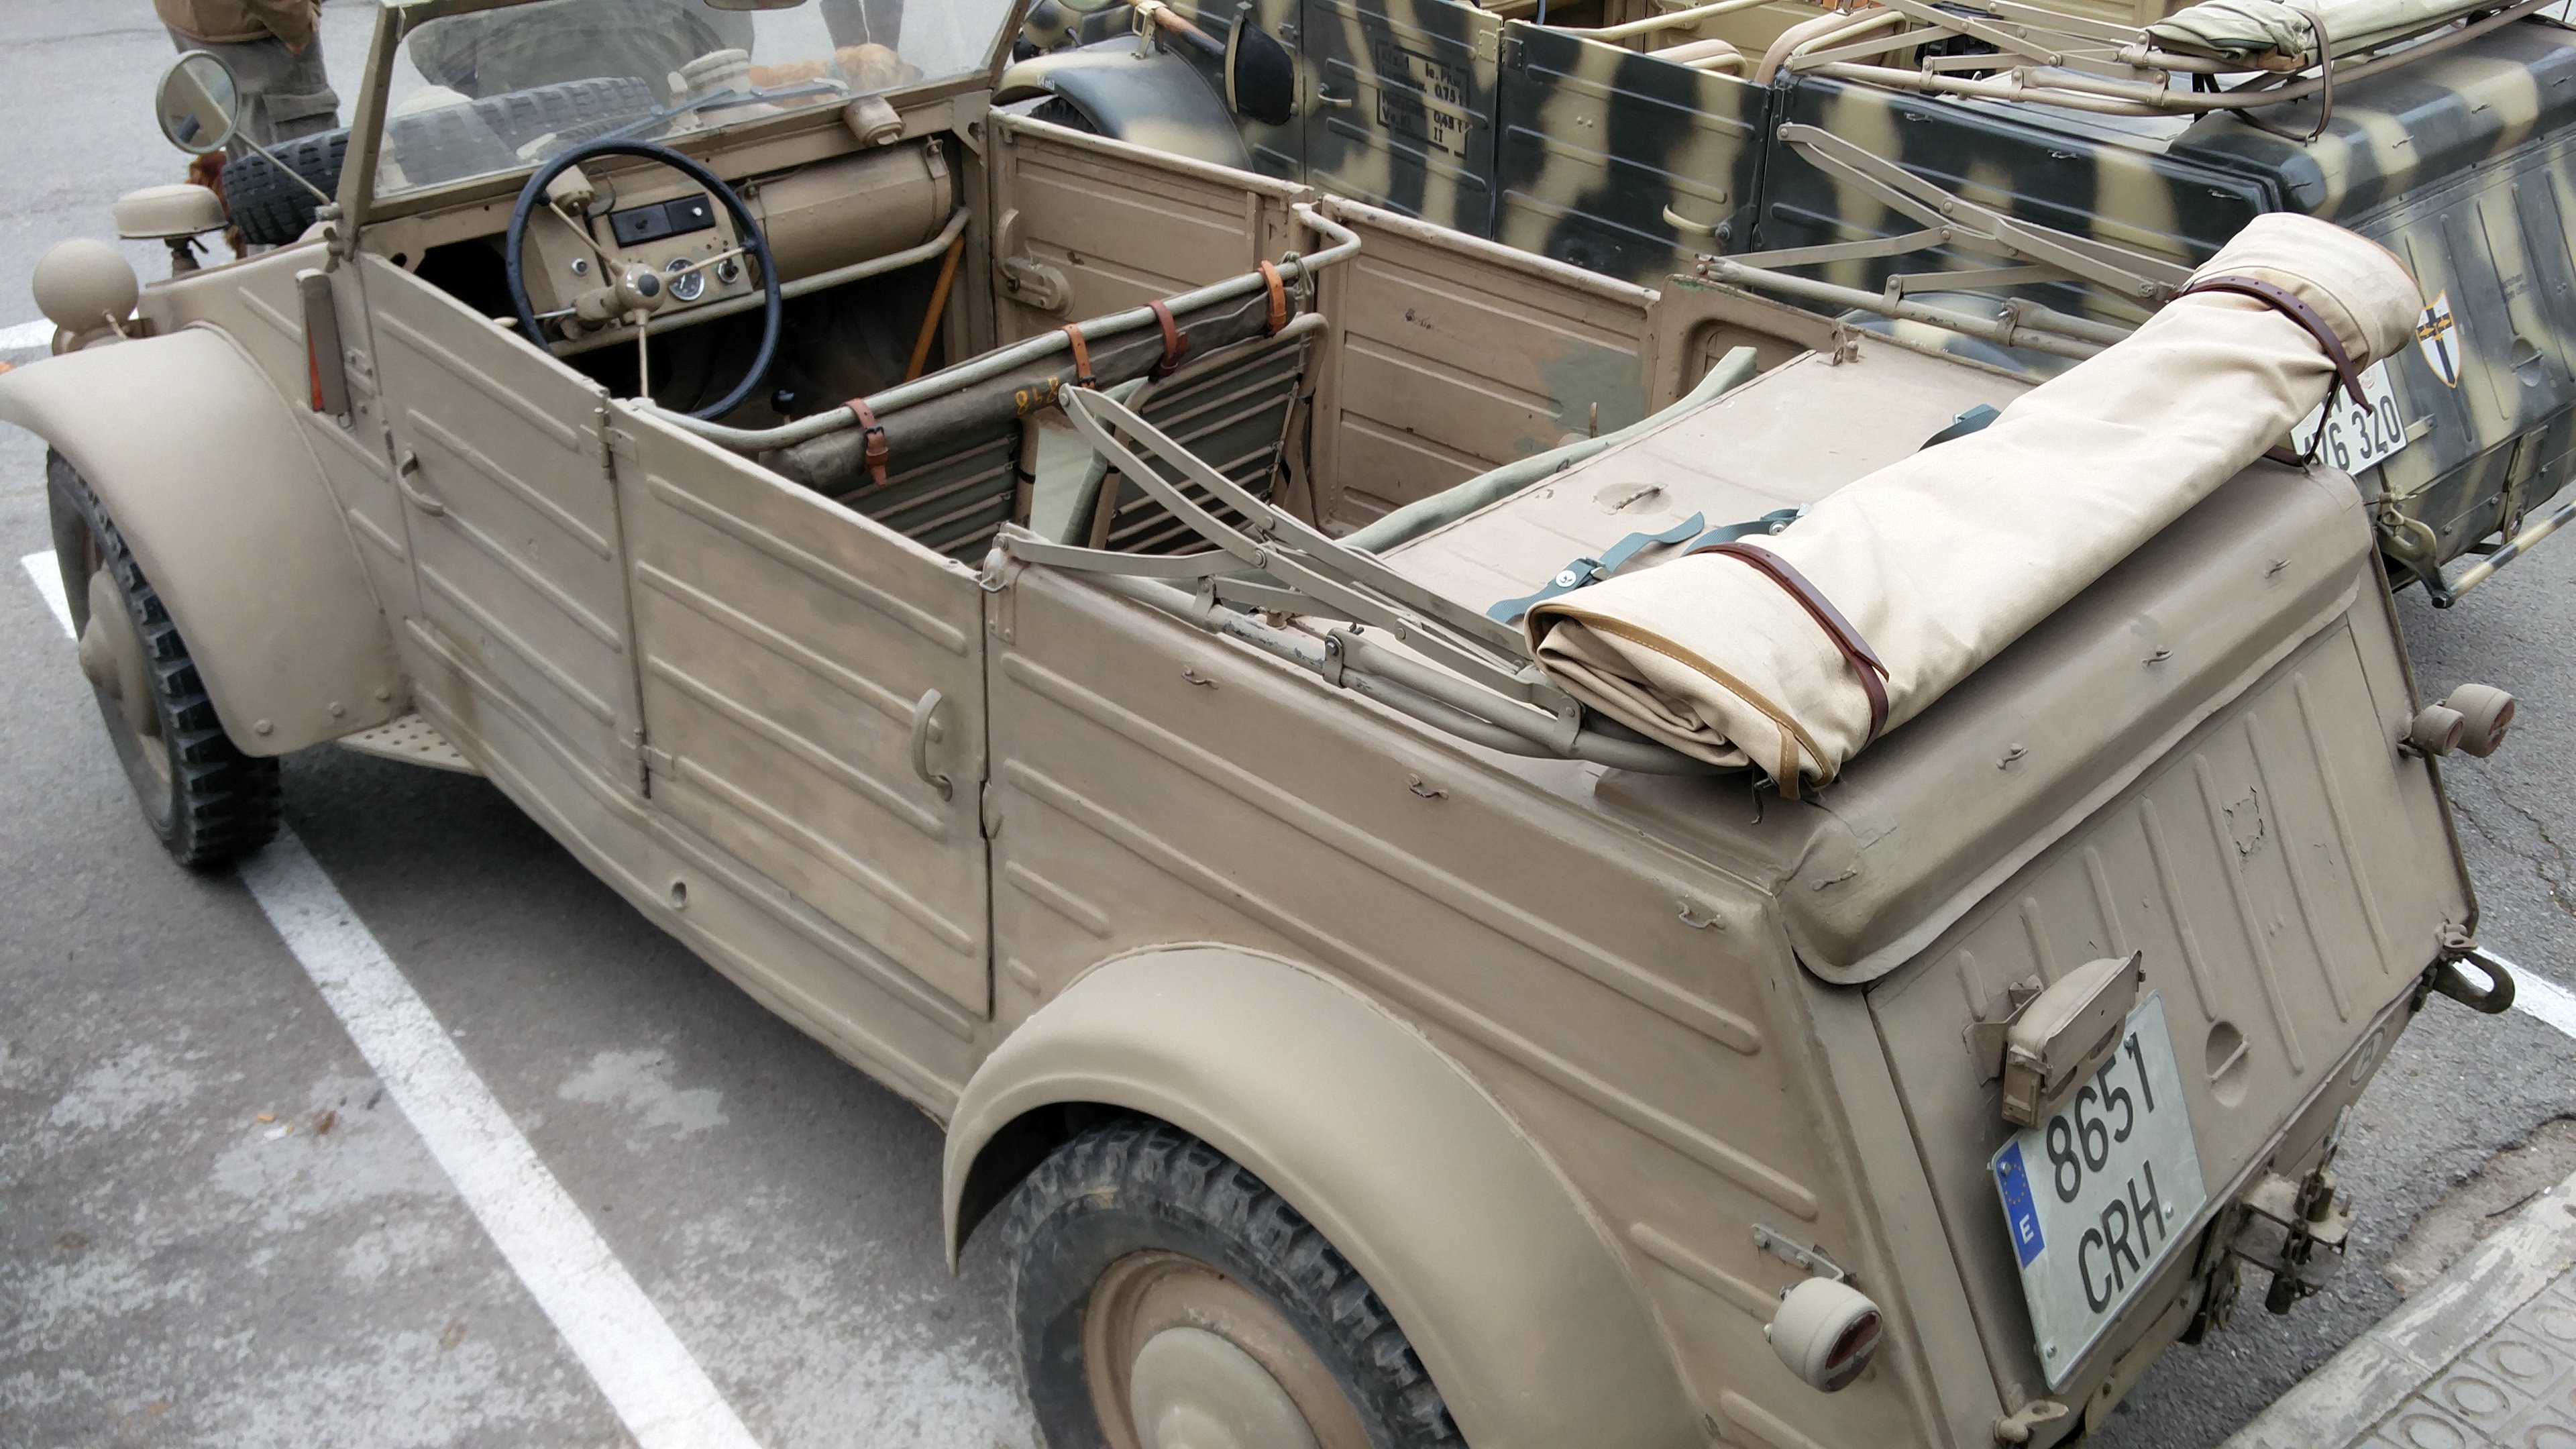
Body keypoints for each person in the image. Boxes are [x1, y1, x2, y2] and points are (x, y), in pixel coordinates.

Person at [155, 0, 338, 154]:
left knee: (246, 165)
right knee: (303, 171)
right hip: (260, 32)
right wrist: (294, 19)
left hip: (199, 21)